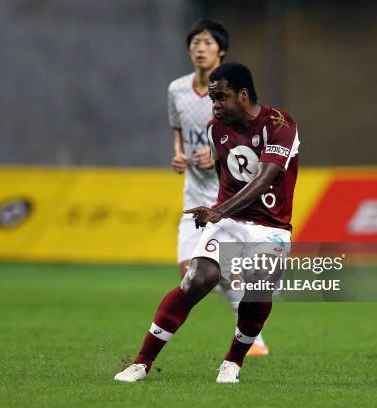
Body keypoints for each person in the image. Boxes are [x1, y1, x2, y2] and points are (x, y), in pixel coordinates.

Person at [115, 62, 300, 383]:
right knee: (198, 279)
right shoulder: (216, 128)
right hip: (230, 219)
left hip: (271, 225)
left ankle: (233, 362)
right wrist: (220, 214)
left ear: (243, 95)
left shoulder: (280, 124)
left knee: (257, 287)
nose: (214, 106)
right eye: (212, 99)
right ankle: (141, 363)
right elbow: (224, 174)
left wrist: (219, 209)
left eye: (221, 98)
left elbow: (264, 177)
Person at [168, 18, 269, 357]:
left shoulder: (231, 92)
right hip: (193, 194)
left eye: (207, 43)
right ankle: (250, 326)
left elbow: (246, 134)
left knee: (209, 268)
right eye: (195, 42)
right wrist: (179, 154)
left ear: (221, 51)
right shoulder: (177, 90)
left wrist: (218, 156)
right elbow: (178, 129)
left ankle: (251, 334)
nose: (200, 48)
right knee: (191, 271)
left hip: (226, 195)